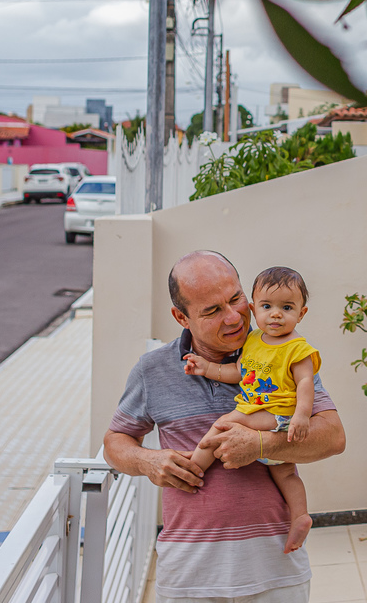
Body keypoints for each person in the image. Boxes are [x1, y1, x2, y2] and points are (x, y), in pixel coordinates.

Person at [104, 251, 346, 603]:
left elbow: (333, 437)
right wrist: (147, 461)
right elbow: (115, 441)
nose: (233, 317)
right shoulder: (151, 370)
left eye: (236, 299)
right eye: (213, 310)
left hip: (276, 568)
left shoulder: (281, 353)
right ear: (181, 317)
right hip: (188, 574)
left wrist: (261, 445)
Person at [182, 266, 319, 554]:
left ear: (302, 313)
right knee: (285, 473)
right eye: (267, 307)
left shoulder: (298, 348)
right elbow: (238, 372)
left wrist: (302, 416)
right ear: (255, 309)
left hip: (278, 414)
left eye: (287, 307)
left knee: (224, 423)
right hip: (265, 418)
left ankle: (194, 467)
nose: (276, 314)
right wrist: (206, 368)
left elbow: (306, 382)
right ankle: (300, 516)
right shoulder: (253, 341)